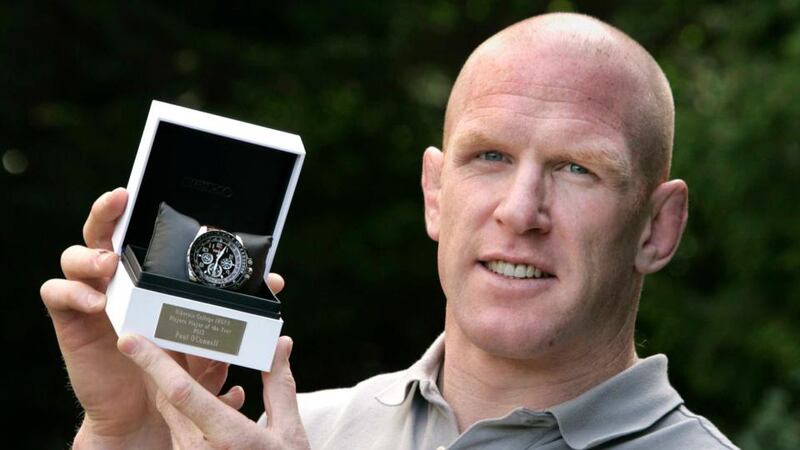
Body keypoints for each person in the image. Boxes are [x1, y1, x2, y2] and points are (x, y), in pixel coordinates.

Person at [41, 12, 737, 450]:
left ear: (657, 227)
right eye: (489, 156)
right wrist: (123, 431)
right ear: (436, 193)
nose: (521, 212)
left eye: (578, 169)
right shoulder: (292, 435)